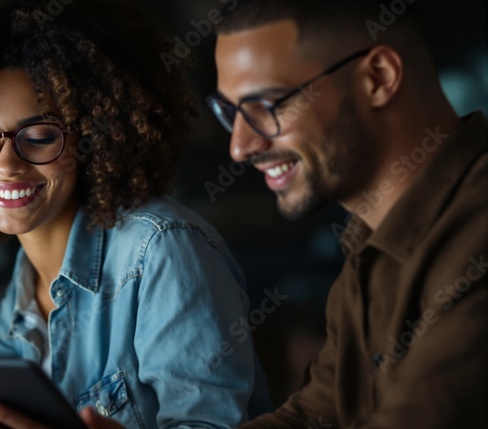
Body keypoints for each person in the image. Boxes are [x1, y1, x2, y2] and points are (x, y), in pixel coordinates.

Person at [0, 0, 272, 427]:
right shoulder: (24, 287)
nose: (6, 165)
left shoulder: (162, 250)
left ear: (92, 138)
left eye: (40, 136)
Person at [204, 0, 487, 427]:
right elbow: (316, 414)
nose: (240, 147)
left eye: (266, 105)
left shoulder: (476, 235)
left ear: (378, 78)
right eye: (232, 113)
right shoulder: (369, 244)